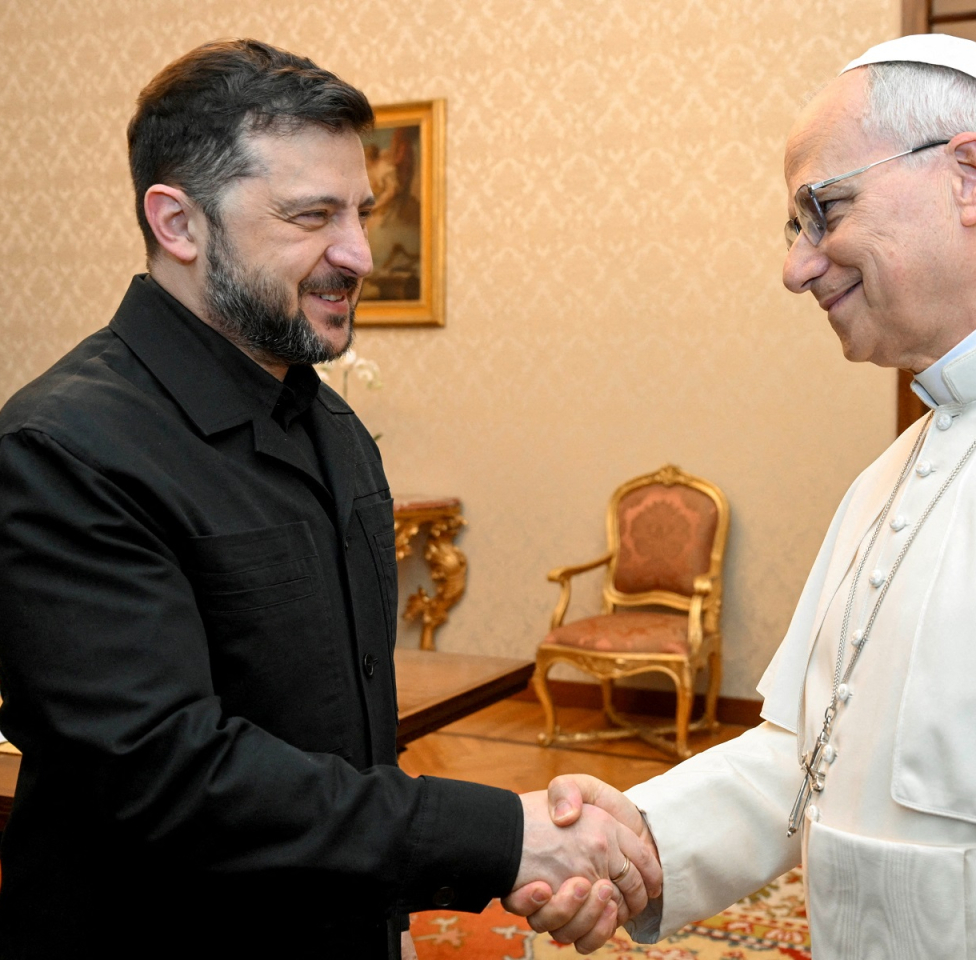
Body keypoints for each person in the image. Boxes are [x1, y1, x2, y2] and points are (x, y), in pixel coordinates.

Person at [511, 34, 976, 959]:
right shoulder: (893, 471)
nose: (797, 267)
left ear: (966, 176)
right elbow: (809, 757)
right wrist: (633, 838)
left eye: (821, 211)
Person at [0, 40, 657, 960]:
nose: (358, 252)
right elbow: (173, 778)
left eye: (362, 212)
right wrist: (502, 838)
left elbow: (341, 743)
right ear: (178, 223)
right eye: (313, 215)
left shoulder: (333, 427)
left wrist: (517, 853)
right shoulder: (61, 450)